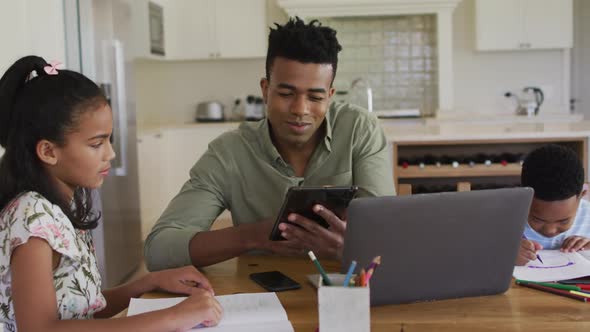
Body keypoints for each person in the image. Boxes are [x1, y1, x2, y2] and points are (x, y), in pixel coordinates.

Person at [144, 17, 395, 270]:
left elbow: (388, 234)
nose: (300, 109)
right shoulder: (229, 153)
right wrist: (254, 235)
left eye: (315, 96)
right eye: (286, 94)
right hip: (260, 294)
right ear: (265, 90)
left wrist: (345, 247)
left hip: (344, 292)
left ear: (330, 96)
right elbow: (158, 251)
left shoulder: (359, 129)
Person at [0, 56, 222, 331]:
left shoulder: (58, 208)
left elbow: (81, 310)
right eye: (96, 144)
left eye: (109, 139)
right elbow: (39, 329)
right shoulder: (31, 217)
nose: (111, 153)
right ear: (48, 151)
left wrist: (148, 283)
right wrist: (173, 317)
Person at [516, 144, 590, 266]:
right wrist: (503, 254)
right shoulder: (504, 217)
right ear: (524, 195)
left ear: (581, 196)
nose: (550, 231)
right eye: (537, 219)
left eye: (564, 221)